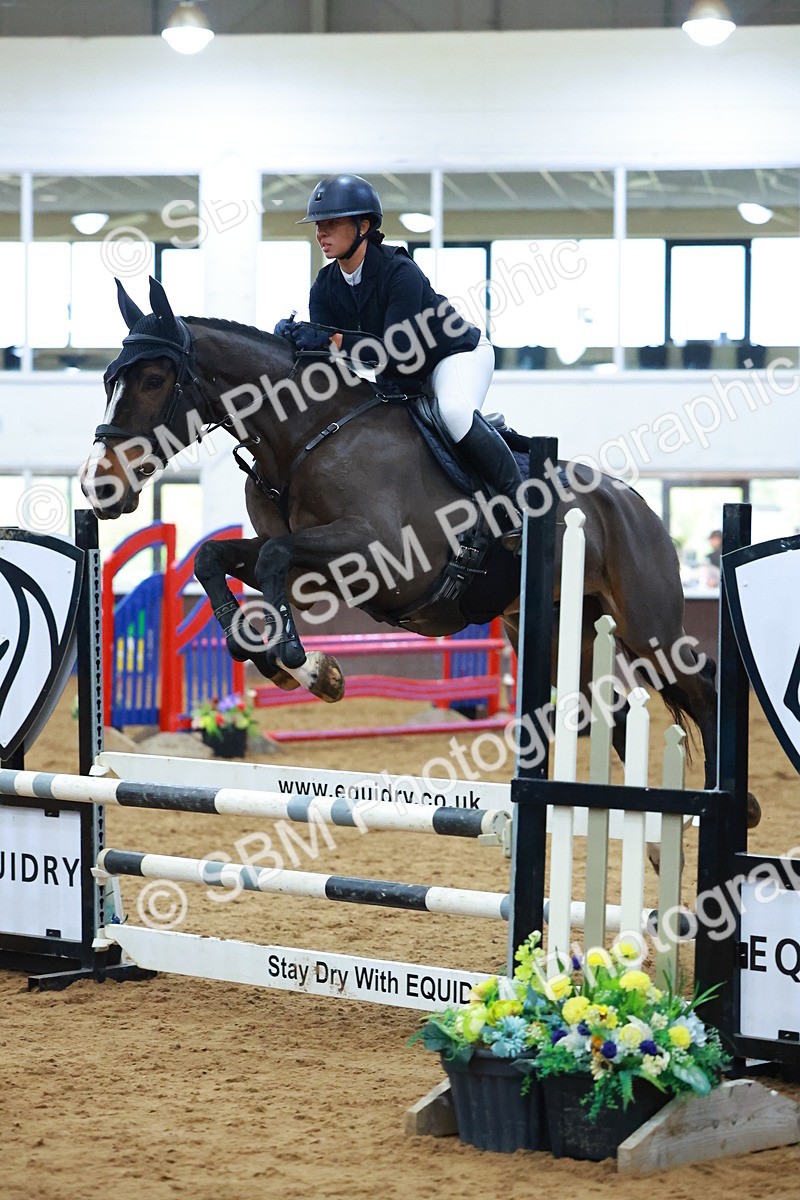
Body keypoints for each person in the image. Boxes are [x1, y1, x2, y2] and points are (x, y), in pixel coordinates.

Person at [275, 174, 523, 549]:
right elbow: (330, 364)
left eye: (332, 223)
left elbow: (396, 351)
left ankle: (522, 504)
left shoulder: (399, 271)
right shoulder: (325, 286)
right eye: (318, 225)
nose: (321, 233)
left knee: (454, 412)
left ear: (364, 226)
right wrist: (292, 344)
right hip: (397, 377)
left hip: (452, 356)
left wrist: (331, 339)